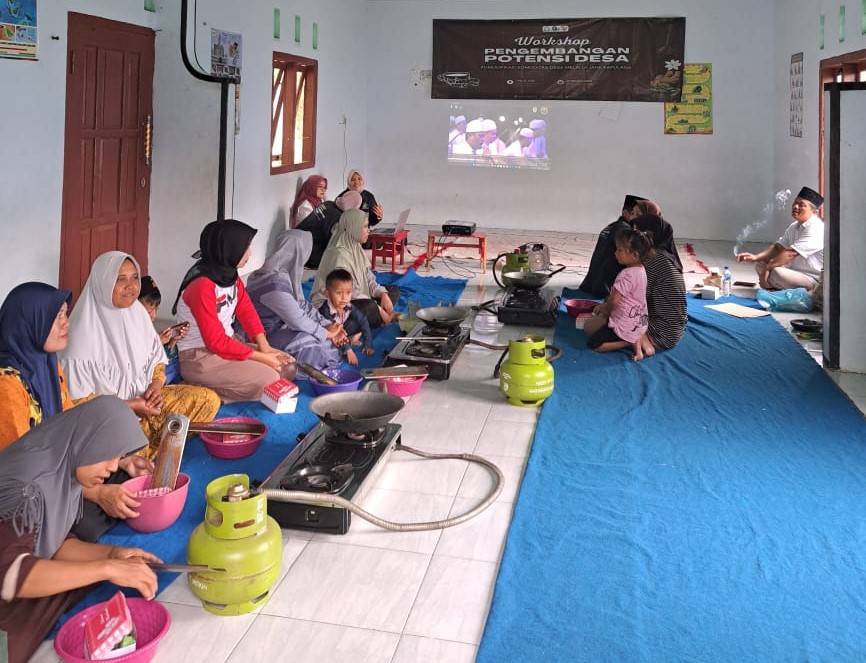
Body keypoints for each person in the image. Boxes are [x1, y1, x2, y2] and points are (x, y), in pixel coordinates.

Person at [0, 396, 162, 663]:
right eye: (109, 455)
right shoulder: (27, 489)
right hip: (8, 573)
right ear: (90, 439)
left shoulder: (63, 463)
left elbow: (54, 543)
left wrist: (112, 554)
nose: (113, 467)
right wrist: (107, 568)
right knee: (13, 640)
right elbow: (9, 575)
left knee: (81, 581)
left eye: (118, 457)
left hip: (12, 563)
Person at [0, 281, 155, 543]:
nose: (65, 323)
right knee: (81, 521)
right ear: (30, 322)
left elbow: (73, 427)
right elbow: (22, 472)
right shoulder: (7, 385)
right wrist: (95, 493)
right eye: (56, 316)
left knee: (129, 479)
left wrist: (120, 461)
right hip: (30, 484)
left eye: (65, 314)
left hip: (63, 468)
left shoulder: (49, 365)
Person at [62, 251, 221, 460]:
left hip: (147, 402)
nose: (131, 286)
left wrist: (155, 387)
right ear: (102, 283)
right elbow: (78, 405)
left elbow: (156, 361)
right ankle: (136, 456)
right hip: (109, 422)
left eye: (135, 277)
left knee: (207, 400)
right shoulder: (80, 335)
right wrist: (129, 407)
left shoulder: (137, 313)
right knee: (114, 449)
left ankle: (143, 452)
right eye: (120, 279)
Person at [172, 219, 295, 402]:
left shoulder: (228, 274)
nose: (249, 253)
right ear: (228, 248)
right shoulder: (201, 285)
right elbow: (215, 342)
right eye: (245, 248)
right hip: (201, 357)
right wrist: (263, 358)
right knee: (269, 380)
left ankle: (225, 386)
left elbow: (246, 310)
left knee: (288, 367)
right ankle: (203, 390)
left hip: (227, 345)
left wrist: (265, 347)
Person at [247, 230, 347, 373]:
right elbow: (297, 319)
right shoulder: (272, 283)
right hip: (264, 338)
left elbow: (302, 306)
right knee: (316, 343)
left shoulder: (285, 274)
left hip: (284, 327)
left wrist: (329, 324)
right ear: (298, 253)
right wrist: (327, 333)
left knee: (322, 339)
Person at [310, 209, 400, 328]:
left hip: (356, 298)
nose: (368, 230)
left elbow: (369, 280)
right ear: (353, 228)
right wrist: (378, 308)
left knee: (393, 291)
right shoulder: (338, 255)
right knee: (369, 307)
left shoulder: (355, 247)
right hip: (333, 306)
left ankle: (378, 316)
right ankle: (380, 317)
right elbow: (347, 293)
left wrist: (382, 294)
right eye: (365, 226)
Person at [736, 186, 824, 290]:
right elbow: (778, 248)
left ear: (814, 212)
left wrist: (768, 268)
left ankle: (778, 286)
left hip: (812, 279)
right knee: (761, 264)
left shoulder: (816, 227)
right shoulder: (794, 226)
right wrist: (756, 257)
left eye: (801, 205)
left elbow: (790, 253)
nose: (795, 207)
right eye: (795, 203)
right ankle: (777, 286)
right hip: (795, 271)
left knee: (777, 273)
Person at [583, 229, 651, 361]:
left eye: (619, 250)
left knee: (595, 344)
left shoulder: (625, 275)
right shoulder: (642, 270)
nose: (615, 253)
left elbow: (613, 302)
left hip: (624, 323)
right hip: (639, 320)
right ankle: (638, 351)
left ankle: (627, 342)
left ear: (634, 255)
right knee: (631, 324)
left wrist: (603, 311)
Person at [632, 214, 688, 354]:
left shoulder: (652, 259)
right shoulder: (664, 255)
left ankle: (642, 341)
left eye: (636, 234)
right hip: (674, 330)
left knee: (598, 327)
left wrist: (608, 308)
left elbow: (632, 301)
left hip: (661, 333)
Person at [580, 194, 649, 298]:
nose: (638, 218)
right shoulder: (625, 232)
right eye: (635, 214)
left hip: (591, 284)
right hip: (605, 290)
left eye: (640, 215)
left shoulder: (614, 226)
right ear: (625, 213)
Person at [317, 268, 374, 366]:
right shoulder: (324, 311)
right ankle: (349, 341)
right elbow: (336, 333)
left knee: (361, 319)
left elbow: (363, 321)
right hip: (332, 333)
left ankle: (350, 339)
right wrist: (349, 350)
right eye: (339, 293)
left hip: (344, 328)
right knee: (328, 342)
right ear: (327, 293)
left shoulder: (349, 306)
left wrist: (368, 344)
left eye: (348, 292)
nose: (344, 298)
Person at [138, 276, 187, 385]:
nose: (154, 316)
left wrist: (173, 339)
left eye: (156, 310)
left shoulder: (148, 330)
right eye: (149, 312)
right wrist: (157, 343)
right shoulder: (127, 331)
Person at [296, 190, 361, 268]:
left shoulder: (328, 204)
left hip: (296, 242)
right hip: (307, 253)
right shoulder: (338, 218)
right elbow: (334, 243)